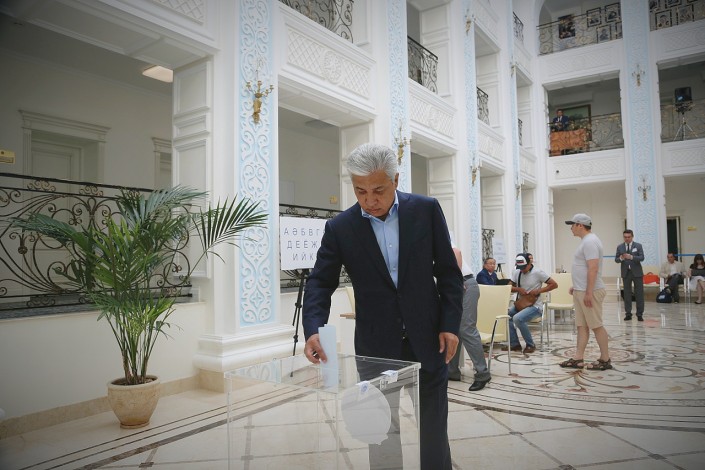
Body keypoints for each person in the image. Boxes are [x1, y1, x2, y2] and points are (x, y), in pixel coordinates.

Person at [302, 143, 462, 470]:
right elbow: (320, 282)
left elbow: (448, 273)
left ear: (395, 180)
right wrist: (313, 329)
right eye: (360, 191)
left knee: (433, 430)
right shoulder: (340, 227)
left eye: (378, 190)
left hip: (428, 339)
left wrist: (449, 325)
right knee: (381, 433)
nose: (369, 201)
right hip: (375, 347)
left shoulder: (426, 210)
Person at [560, 213, 611, 371]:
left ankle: (605, 359)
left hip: (590, 291)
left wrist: (588, 292)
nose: (571, 228)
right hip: (581, 290)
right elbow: (583, 267)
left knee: (596, 325)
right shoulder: (586, 241)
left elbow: (593, 268)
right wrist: (577, 286)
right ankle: (578, 358)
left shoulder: (590, 242)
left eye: (572, 225)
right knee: (581, 326)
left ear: (580, 225)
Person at [448, 247, 491, 391]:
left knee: (466, 328)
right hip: (452, 285)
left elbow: (457, 252)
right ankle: (452, 371)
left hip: (465, 283)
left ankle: (482, 374)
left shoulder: (433, 236)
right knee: (453, 328)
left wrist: (457, 280)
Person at [501, 253, 557, 354]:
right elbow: (509, 287)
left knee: (517, 318)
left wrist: (538, 291)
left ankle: (530, 344)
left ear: (529, 263)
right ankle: (515, 344)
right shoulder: (517, 272)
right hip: (521, 304)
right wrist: (518, 289)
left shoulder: (538, 272)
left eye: (524, 267)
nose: (522, 270)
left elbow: (554, 285)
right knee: (507, 317)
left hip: (535, 306)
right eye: (520, 268)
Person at [615, 229, 645, 321]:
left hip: (637, 273)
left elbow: (642, 257)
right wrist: (621, 258)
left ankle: (639, 314)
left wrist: (632, 257)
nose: (627, 239)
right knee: (627, 294)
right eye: (625, 237)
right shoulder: (620, 247)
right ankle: (628, 314)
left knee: (639, 294)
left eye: (628, 237)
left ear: (632, 237)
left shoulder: (638, 246)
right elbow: (616, 260)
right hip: (626, 273)